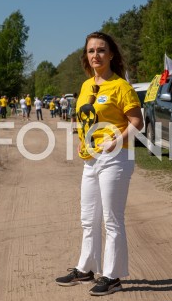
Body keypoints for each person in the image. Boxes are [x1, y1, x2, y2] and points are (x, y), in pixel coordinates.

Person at [55, 31, 143, 296]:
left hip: (116, 157)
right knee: (87, 218)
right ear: (87, 55)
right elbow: (86, 118)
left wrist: (115, 140)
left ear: (111, 54)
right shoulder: (85, 86)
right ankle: (86, 268)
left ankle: (112, 276)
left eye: (101, 50)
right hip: (91, 159)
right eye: (91, 50)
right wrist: (84, 139)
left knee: (111, 220)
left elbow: (138, 123)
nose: (96, 55)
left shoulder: (121, 86)